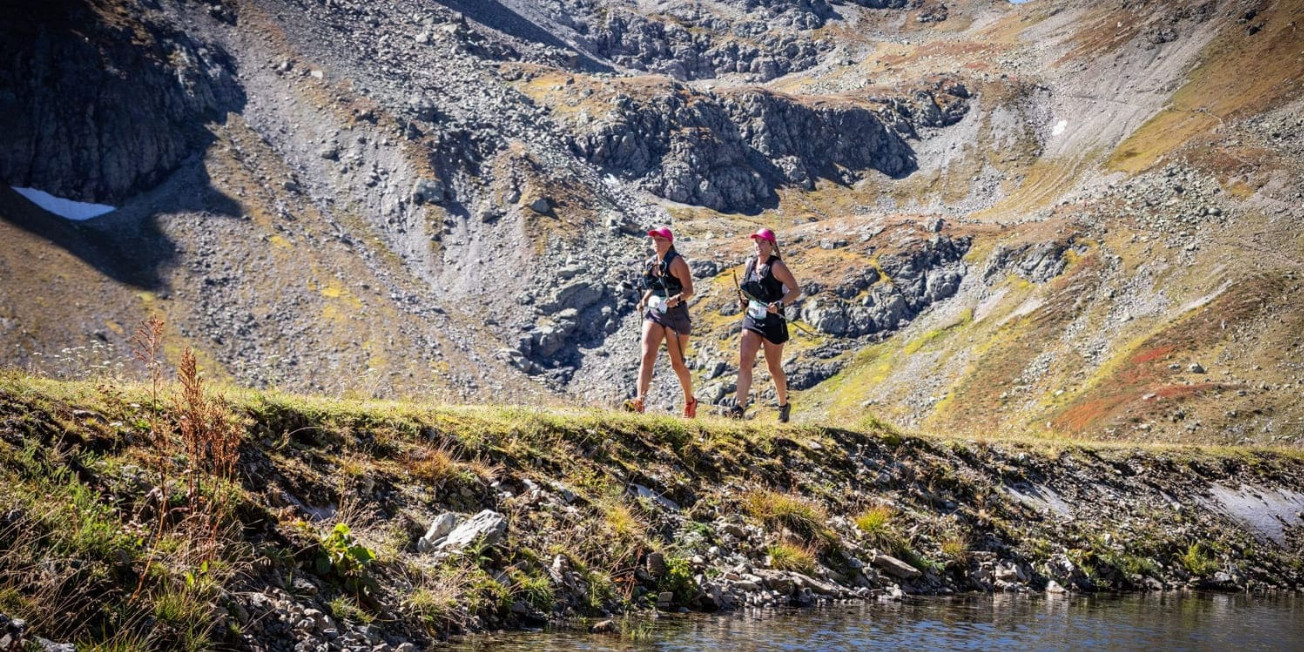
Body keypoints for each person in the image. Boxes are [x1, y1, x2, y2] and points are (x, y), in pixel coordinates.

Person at [625, 226, 698, 418]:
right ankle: (639, 401)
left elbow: (689, 290)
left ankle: (690, 401)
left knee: (677, 363)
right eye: (654, 240)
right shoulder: (651, 263)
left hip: (676, 316)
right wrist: (643, 301)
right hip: (655, 312)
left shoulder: (677, 262)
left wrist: (677, 299)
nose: (656, 243)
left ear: (670, 242)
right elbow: (654, 286)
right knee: (647, 356)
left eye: (661, 239)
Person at [731, 227, 801, 422]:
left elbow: (795, 290)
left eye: (762, 242)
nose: (758, 246)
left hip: (773, 322)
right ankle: (739, 408)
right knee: (745, 361)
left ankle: (783, 405)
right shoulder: (750, 264)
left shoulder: (777, 266)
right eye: (756, 242)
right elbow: (751, 290)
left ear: (771, 244)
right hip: (752, 318)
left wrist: (779, 304)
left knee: (773, 367)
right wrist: (744, 302)